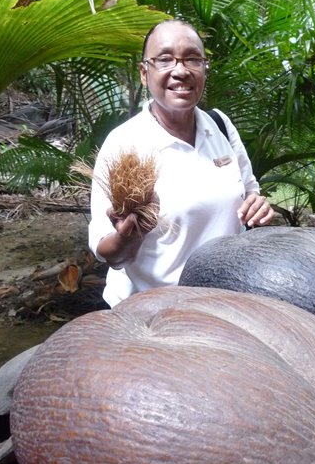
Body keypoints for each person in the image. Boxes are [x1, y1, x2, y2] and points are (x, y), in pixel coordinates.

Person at [88, 19, 274, 307]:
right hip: (151, 312)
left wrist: (258, 207)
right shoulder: (124, 144)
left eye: (192, 59)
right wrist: (127, 238)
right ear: (143, 72)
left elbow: (250, 192)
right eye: (164, 59)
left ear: (205, 69)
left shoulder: (220, 125)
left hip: (225, 302)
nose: (180, 71)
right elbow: (108, 252)